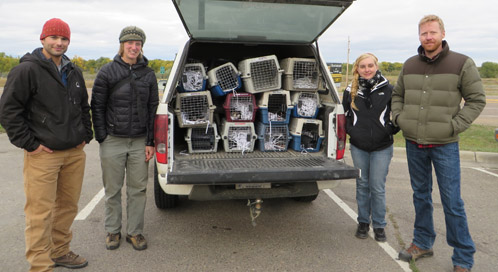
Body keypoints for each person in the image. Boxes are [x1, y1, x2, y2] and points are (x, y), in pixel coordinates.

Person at [392, 15, 486, 272]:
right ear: (419, 36)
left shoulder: (462, 63)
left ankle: (463, 257)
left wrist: (453, 126)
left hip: (444, 144)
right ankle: (422, 242)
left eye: (433, 32)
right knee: (421, 196)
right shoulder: (409, 64)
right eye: (424, 33)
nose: (428, 37)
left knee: (452, 201)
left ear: (442, 34)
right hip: (414, 143)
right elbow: (397, 95)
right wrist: (400, 118)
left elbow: (477, 100)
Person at [0, 18, 92, 271]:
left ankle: (60, 251)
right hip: (44, 155)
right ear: (43, 39)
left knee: (67, 207)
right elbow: (8, 112)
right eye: (54, 38)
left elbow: (83, 106)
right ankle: (41, 264)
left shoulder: (73, 71)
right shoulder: (27, 70)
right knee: (40, 213)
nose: (59, 43)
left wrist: (86, 134)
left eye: (64, 39)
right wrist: (30, 145)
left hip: (74, 152)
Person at [91, 26, 159, 251]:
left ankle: (135, 232)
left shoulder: (148, 74)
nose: (134, 47)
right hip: (113, 140)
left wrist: (150, 141)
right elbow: (97, 106)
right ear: (122, 45)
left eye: (138, 44)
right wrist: (102, 136)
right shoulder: (107, 71)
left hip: (140, 141)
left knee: (138, 189)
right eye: (130, 43)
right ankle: (112, 230)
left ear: (142, 47)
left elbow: (152, 109)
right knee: (112, 189)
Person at [342, 53, 399, 243]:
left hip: (382, 146)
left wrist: (391, 129)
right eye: (362, 66)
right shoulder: (350, 91)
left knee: (377, 187)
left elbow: (399, 113)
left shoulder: (389, 88)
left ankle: (380, 226)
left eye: (370, 65)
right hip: (359, 146)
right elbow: (346, 116)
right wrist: (353, 132)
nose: (367, 69)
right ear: (357, 69)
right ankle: (363, 222)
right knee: (362, 185)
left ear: (376, 66)